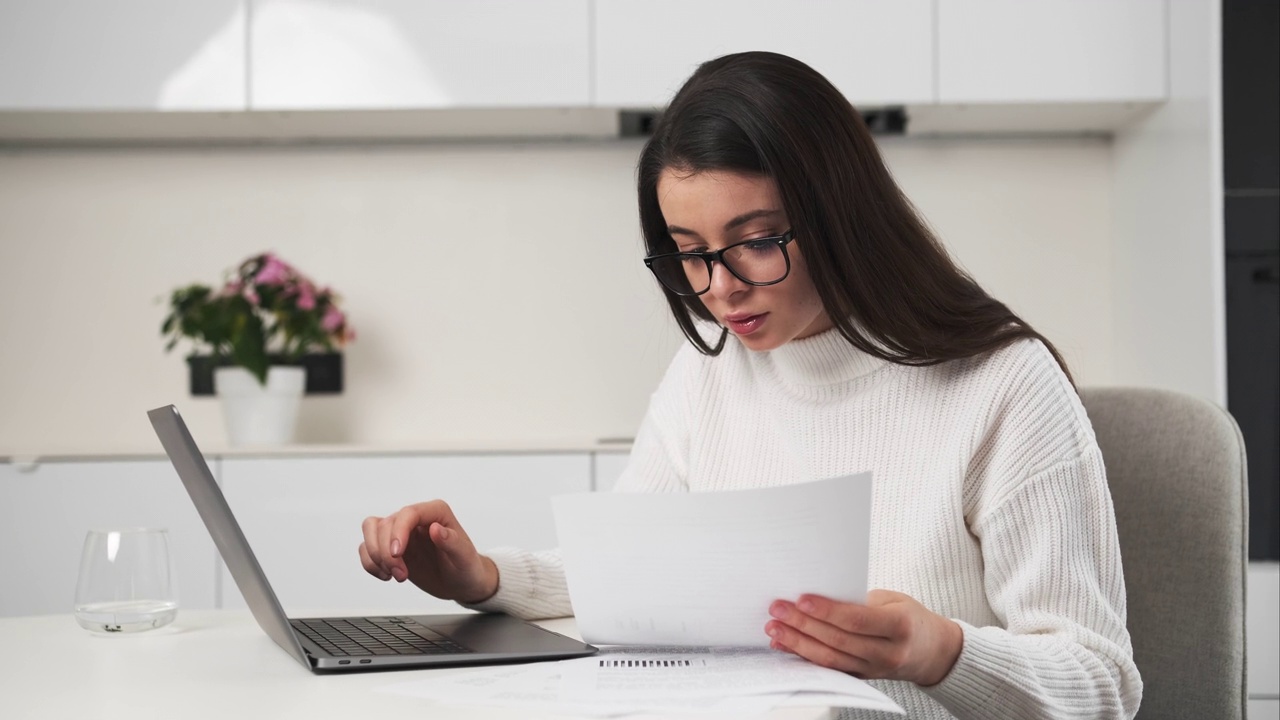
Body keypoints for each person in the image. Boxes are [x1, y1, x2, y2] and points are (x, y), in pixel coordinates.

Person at [358, 51, 1142, 719]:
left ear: (843, 214)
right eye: (688, 252)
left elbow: (1102, 683)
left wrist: (940, 651)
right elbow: (627, 568)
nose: (720, 289)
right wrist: (480, 576)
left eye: (756, 242)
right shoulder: (711, 375)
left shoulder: (1002, 386)